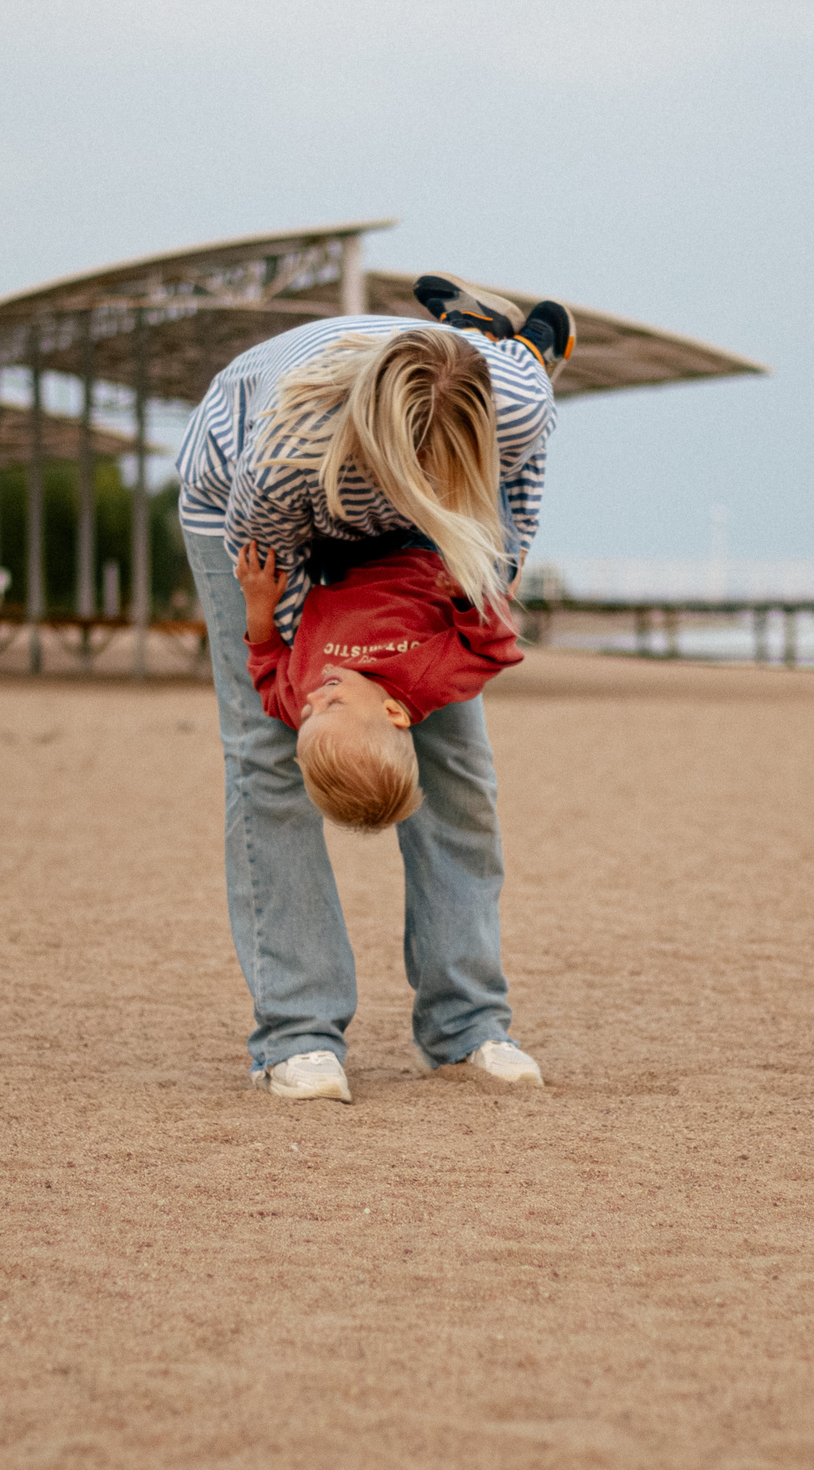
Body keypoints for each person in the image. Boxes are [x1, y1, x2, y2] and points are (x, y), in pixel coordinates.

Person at [175, 278, 573, 1103]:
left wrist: (470, 584)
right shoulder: (287, 457)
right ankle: (297, 1031)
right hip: (263, 519)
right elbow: (277, 623)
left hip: (429, 548)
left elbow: (509, 529)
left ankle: (467, 1026)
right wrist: (312, 685)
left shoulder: (518, 407)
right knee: (270, 755)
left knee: (457, 767)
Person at [235, 533, 524, 833]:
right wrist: (468, 597)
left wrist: (258, 607)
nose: (313, 700)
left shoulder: (303, 702)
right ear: (392, 713)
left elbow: (266, 668)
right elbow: (492, 649)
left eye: (307, 716)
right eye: (334, 704)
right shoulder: (427, 680)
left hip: (342, 551)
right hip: (423, 546)